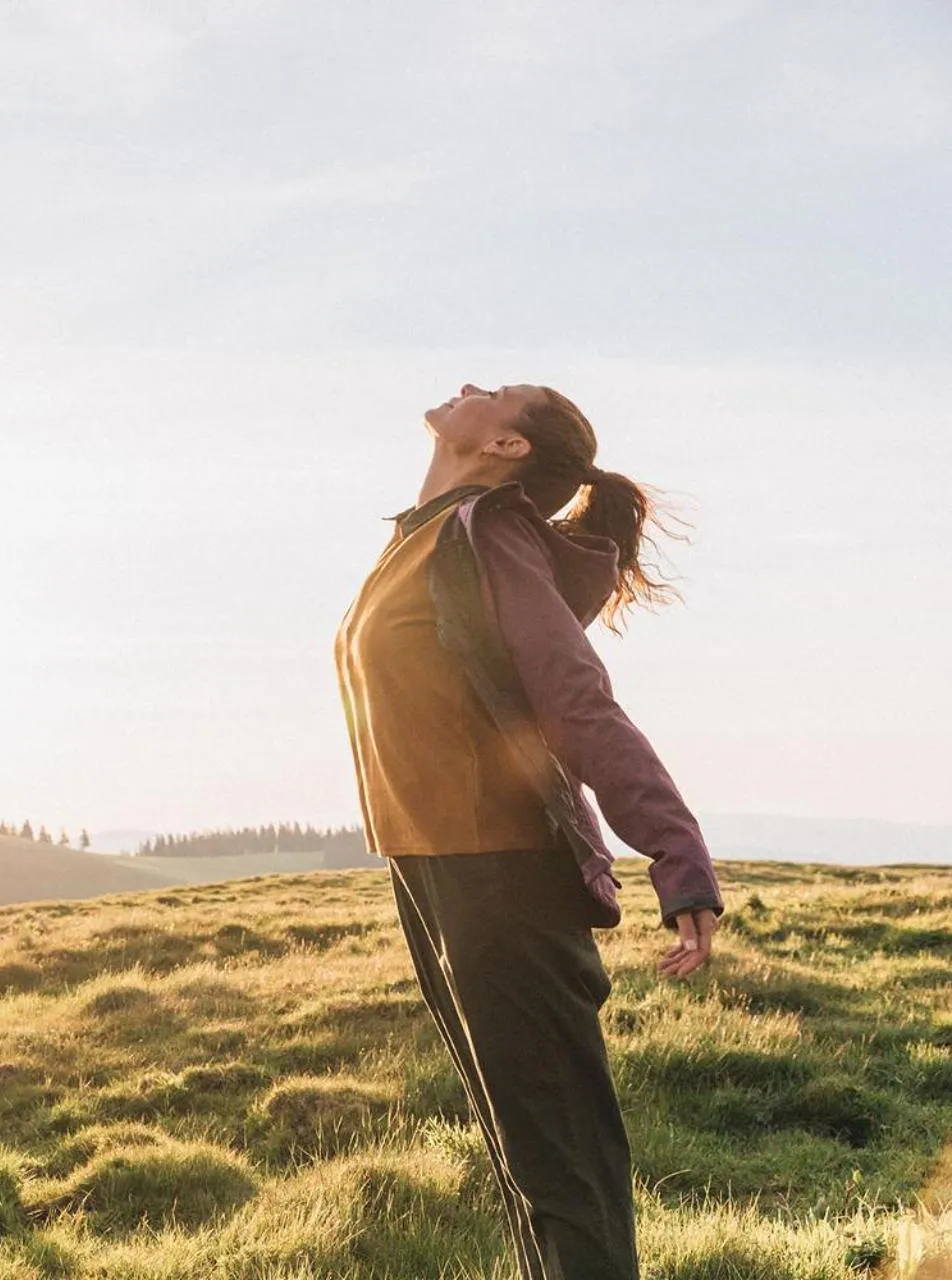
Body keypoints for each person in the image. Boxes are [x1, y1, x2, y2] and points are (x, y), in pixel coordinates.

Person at [333, 383, 724, 1280]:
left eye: (499, 393)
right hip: (431, 868)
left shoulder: (491, 535)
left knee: (562, 1163)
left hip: (505, 873)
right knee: (524, 1161)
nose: (473, 387)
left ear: (507, 447)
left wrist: (675, 850)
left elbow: (575, 697)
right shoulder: (424, 536)